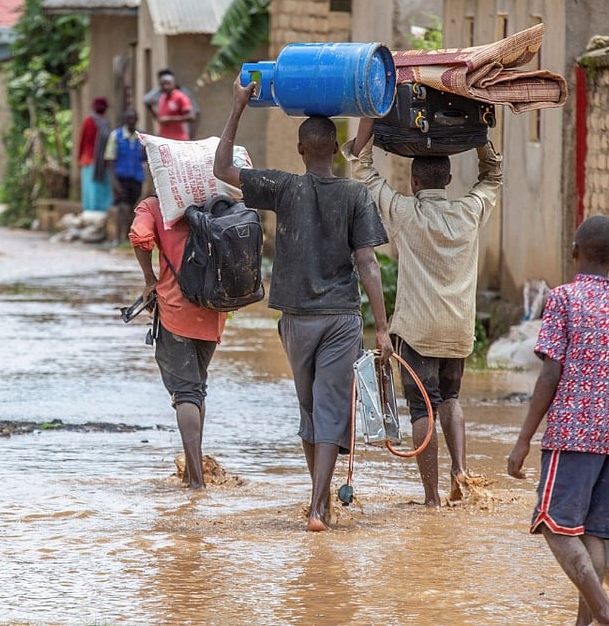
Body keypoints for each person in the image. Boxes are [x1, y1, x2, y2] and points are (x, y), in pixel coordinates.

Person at [212, 78, 393, 532]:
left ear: (299, 149)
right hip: (341, 318)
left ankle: (319, 502)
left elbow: (221, 168)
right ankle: (318, 507)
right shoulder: (355, 195)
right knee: (330, 409)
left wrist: (238, 106)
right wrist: (384, 329)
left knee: (311, 410)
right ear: (335, 149)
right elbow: (368, 263)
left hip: (296, 320)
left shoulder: (282, 187)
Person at [506, 215, 609, 626]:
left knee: (553, 524)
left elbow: (550, 375)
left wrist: (523, 441)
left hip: (573, 434)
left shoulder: (563, 300)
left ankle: (607, 616)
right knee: (591, 532)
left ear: (574, 252)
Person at [345, 118, 504, 506]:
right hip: (457, 329)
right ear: (449, 180)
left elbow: (363, 170)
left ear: (415, 183)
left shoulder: (403, 213)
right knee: (450, 399)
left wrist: (366, 135)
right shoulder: (470, 213)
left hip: (415, 329)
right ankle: (460, 472)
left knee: (422, 408)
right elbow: (493, 176)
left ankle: (432, 497)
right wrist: (479, 133)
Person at [129, 195, 228, 489]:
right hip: (214, 308)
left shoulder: (154, 206)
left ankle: (196, 481)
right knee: (197, 388)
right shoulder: (217, 200)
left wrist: (149, 279)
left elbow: (140, 236)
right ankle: (190, 471)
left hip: (175, 311)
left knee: (186, 392)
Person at [105, 109, 148, 243]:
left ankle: (128, 237)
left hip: (136, 178)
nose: (131, 121)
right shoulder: (116, 136)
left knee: (131, 208)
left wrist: (145, 151)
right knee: (122, 208)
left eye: (133, 118)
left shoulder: (141, 137)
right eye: (128, 118)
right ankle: (118, 237)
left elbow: (146, 158)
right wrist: (114, 182)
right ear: (125, 120)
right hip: (121, 177)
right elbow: (110, 159)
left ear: (137, 119)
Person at [79, 97, 113, 213]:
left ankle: (90, 208)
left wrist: (79, 157)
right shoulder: (105, 122)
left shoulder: (89, 120)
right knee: (99, 185)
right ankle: (101, 208)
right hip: (101, 160)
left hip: (88, 158)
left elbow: (83, 140)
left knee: (89, 186)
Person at [143, 68, 200, 137]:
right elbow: (146, 100)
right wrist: (157, 117)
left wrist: (169, 120)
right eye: (162, 84)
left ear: (173, 83)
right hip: (165, 138)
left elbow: (192, 116)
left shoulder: (181, 96)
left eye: (168, 83)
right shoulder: (162, 97)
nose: (165, 87)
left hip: (179, 138)